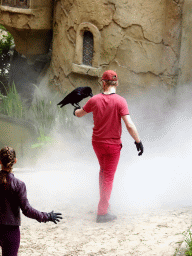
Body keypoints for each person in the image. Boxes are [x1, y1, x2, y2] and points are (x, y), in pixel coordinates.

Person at [74, 70, 144, 223]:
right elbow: (129, 125)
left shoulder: (95, 100)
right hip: (112, 145)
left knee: (103, 171)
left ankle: (104, 204)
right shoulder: (120, 101)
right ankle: (102, 212)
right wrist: (138, 141)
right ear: (116, 83)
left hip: (97, 143)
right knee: (108, 177)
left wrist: (75, 111)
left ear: (103, 83)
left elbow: (80, 114)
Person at [0, 146, 62, 256]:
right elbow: (27, 210)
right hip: (10, 231)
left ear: (0, 161)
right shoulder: (18, 184)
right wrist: (46, 216)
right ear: (15, 161)